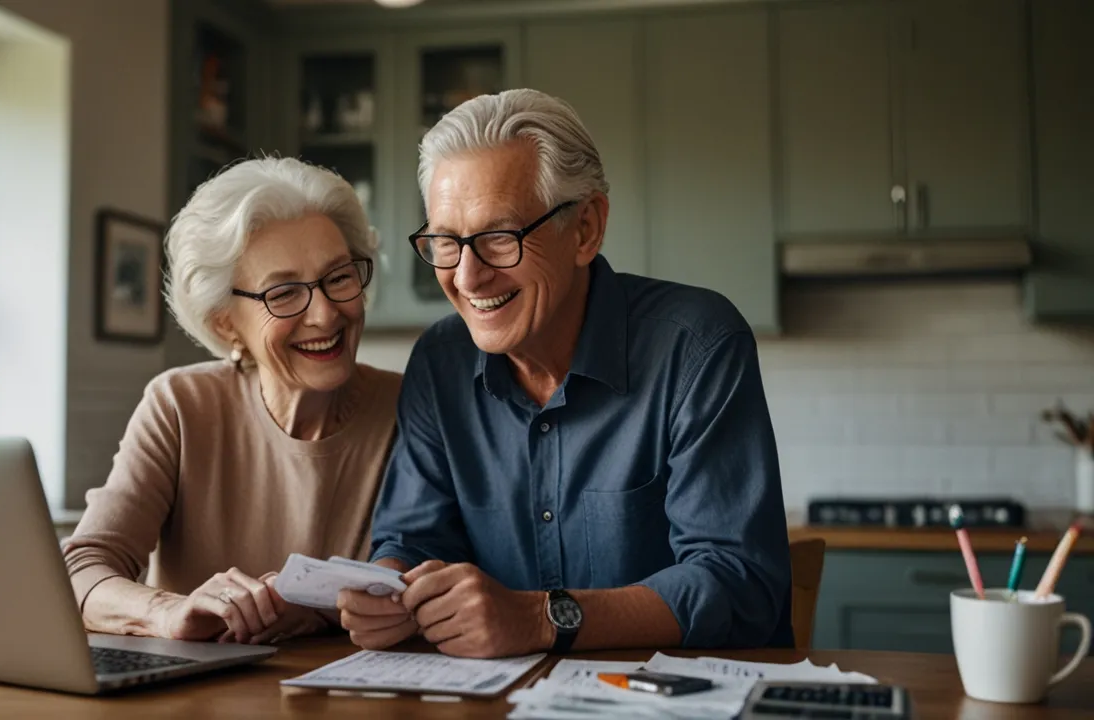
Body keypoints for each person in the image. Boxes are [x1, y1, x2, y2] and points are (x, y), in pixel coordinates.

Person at [338, 89, 792, 658]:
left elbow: (738, 582)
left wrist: (540, 618)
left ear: (585, 230)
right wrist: (388, 588)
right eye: (446, 242)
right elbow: (412, 537)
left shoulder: (697, 346)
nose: (467, 277)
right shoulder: (439, 362)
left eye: (499, 237)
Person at [62, 157, 402, 646]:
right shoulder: (181, 405)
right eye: (284, 293)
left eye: (340, 277)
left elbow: (427, 578)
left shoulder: (412, 408)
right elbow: (83, 568)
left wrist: (315, 611)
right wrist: (169, 613)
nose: (326, 314)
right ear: (225, 322)